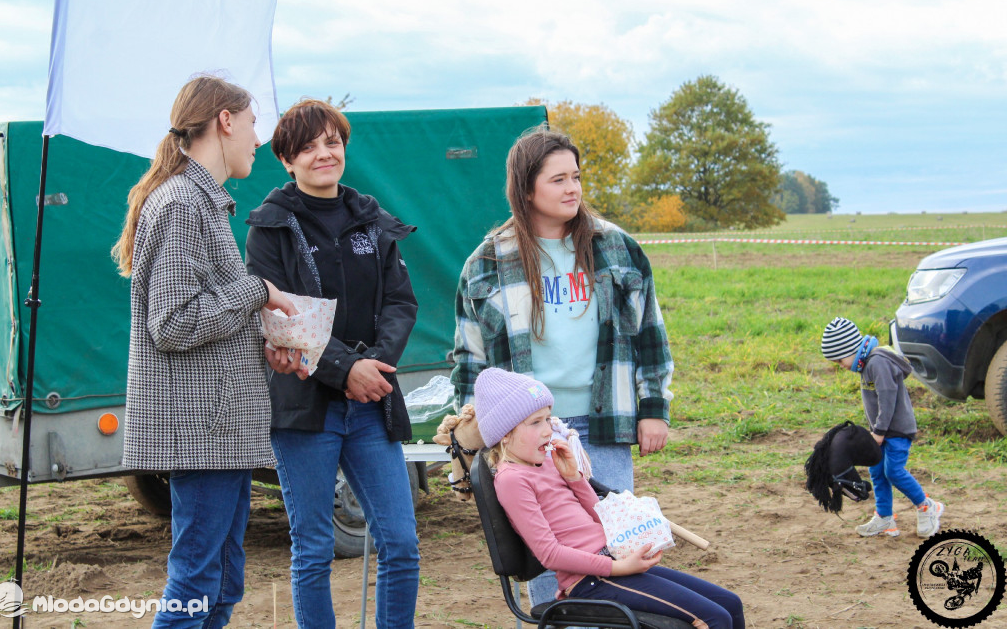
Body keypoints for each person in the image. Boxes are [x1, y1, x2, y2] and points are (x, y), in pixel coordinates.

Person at [451, 126, 673, 605]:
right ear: (526, 187)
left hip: (605, 424)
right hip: (528, 435)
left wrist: (653, 406)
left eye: (576, 177)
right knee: (551, 572)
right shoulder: (487, 261)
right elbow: (470, 359)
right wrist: (472, 433)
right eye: (558, 180)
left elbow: (650, 335)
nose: (572, 188)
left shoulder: (617, 248)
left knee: (616, 553)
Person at [113, 75, 298, 628]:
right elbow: (170, 324)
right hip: (201, 432)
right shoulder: (180, 205)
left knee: (221, 580)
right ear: (224, 121)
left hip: (222, 429)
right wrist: (257, 289)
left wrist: (262, 336)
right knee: (197, 581)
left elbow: (202, 318)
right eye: (253, 123)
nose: (256, 139)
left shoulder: (202, 203)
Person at [244, 98, 420, 628]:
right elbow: (280, 320)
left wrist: (374, 369)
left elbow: (400, 303)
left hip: (371, 406)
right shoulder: (269, 227)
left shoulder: (371, 218)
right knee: (314, 549)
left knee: (401, 543)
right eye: (309, 146)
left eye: (333, 142)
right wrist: (345, 371)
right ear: (286, 159)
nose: (324, 153)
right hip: (305, 411)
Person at [474, 368, 745, 629]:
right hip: (591, 580)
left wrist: (574, 479)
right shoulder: (512, 479)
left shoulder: (544, 461)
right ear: (505, 435)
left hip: (612, 562)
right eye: (536, 423)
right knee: (714, 619)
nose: (548, 430)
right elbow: (549, 554)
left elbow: (601, 517)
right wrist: (617, 567)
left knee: (729, 604)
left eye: (548, 418)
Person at [820, 317, 946, 537]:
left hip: (896, 430)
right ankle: (885, 518)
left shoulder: (878, 363)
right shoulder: (865, 365)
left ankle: (927, 506)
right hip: (881, 430)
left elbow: (887, 400)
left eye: (840, 360)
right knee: (877, 471)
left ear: (851, 349)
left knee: (893, 471)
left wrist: (878, 432)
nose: (841, 366)